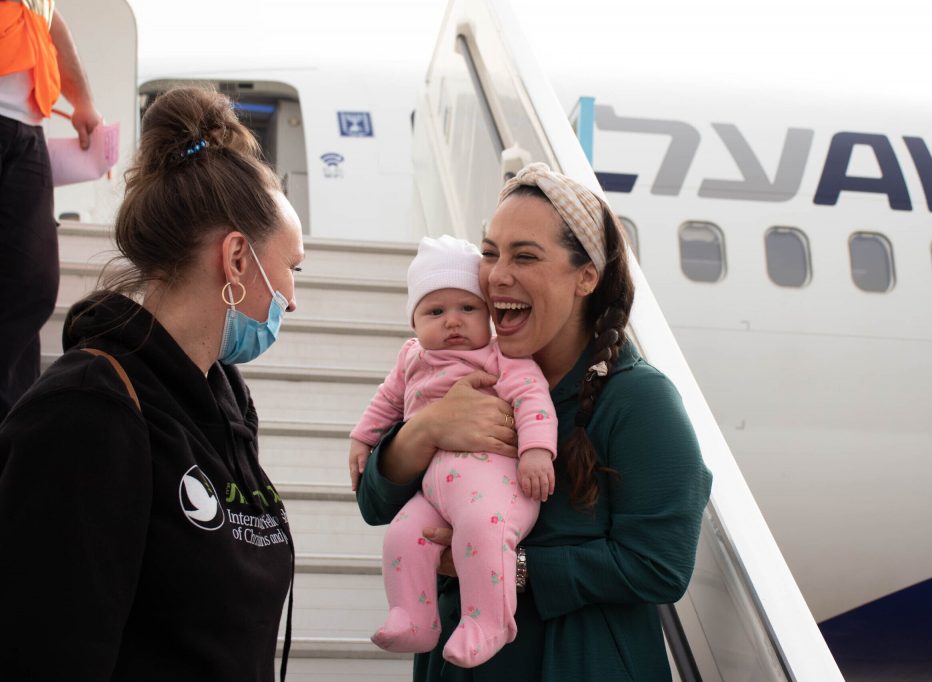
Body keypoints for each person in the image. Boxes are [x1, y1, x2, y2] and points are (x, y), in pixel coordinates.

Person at [357, 162, 713, 681]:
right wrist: (424, 430)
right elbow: (375, 505)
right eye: (489, 253)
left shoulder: (639, 400)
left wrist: (510, 568)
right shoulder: (463, 376)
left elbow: (660, 566)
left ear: (585, 276)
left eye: (525, 256)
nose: (497, 274)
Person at [0, 87, 303, 681]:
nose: (293, 300)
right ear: (237, 258)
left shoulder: (224, 403)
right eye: (291, 269)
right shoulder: (87, 413)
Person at [349, 234, 558, 667]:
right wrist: (362, 438)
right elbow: (386, 402)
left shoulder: (502, 357)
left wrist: (538, 450)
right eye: (435, 311)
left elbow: (533, 399)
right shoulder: (411, 358)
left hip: (497, 489)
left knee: (482, 533)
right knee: (403, 536)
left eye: (468, 308)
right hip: (434, 492)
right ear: (414, 323)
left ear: (489, 316)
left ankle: (490, 620)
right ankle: (413, 617)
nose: (453, 322)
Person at [0, 0, 103, 421]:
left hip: (26, 126)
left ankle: (10, 427)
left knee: (33, 284)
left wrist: (83, 100)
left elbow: (49, 18)